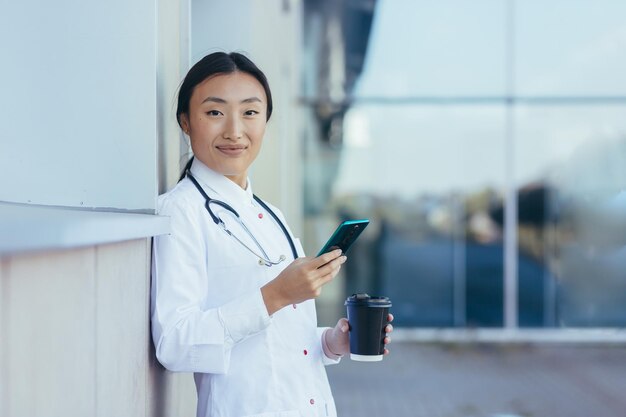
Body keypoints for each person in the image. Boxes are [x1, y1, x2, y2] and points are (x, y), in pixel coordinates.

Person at [151, 51, 393, 417]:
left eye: (250, 112)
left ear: (265, 121)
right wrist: (275, 295)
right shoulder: (180, 212)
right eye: (215, 112)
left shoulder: (270, 215)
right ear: (185, 122)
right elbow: (175, 344)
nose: (234, 130)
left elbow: (279, 338)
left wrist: (331, 342)